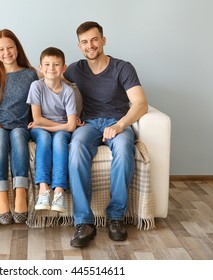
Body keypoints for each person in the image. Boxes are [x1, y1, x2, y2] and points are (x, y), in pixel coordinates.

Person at [64, 21, 148, 247]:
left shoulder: (123, 67)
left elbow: (141, 104)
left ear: (103, 40)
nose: (90, 45)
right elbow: (49, 76)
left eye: (94, 39)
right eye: (84, 42)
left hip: (117, 122)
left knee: (123, 148)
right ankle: (84, 222)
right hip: (90, 124)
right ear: (79, 45)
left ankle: (116, 217)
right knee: (77, 146)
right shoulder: (75, 69)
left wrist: (120, 126)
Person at [0, 29, 38, 225]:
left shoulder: (30, 74)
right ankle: (1, 196)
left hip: (21, 126)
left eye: (10, 47)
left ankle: (21, 192)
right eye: (1, 49)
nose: (6, 53)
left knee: (16, 137)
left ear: (17, 48)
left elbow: (49, 84)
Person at [27, 47, 78, 213]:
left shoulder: (68, 92)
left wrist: (45, 125)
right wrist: (43, 125)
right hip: (41, 130)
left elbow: (71, 127)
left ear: (64, 68)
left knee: (59, 141)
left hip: (60, 130)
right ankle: (43, 190)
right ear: (40, 67)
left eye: (56, 64)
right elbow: (37, 119)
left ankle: (59, 191)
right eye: (47, 64)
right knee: (45, 138)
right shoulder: (36, 86)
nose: (51, 68)